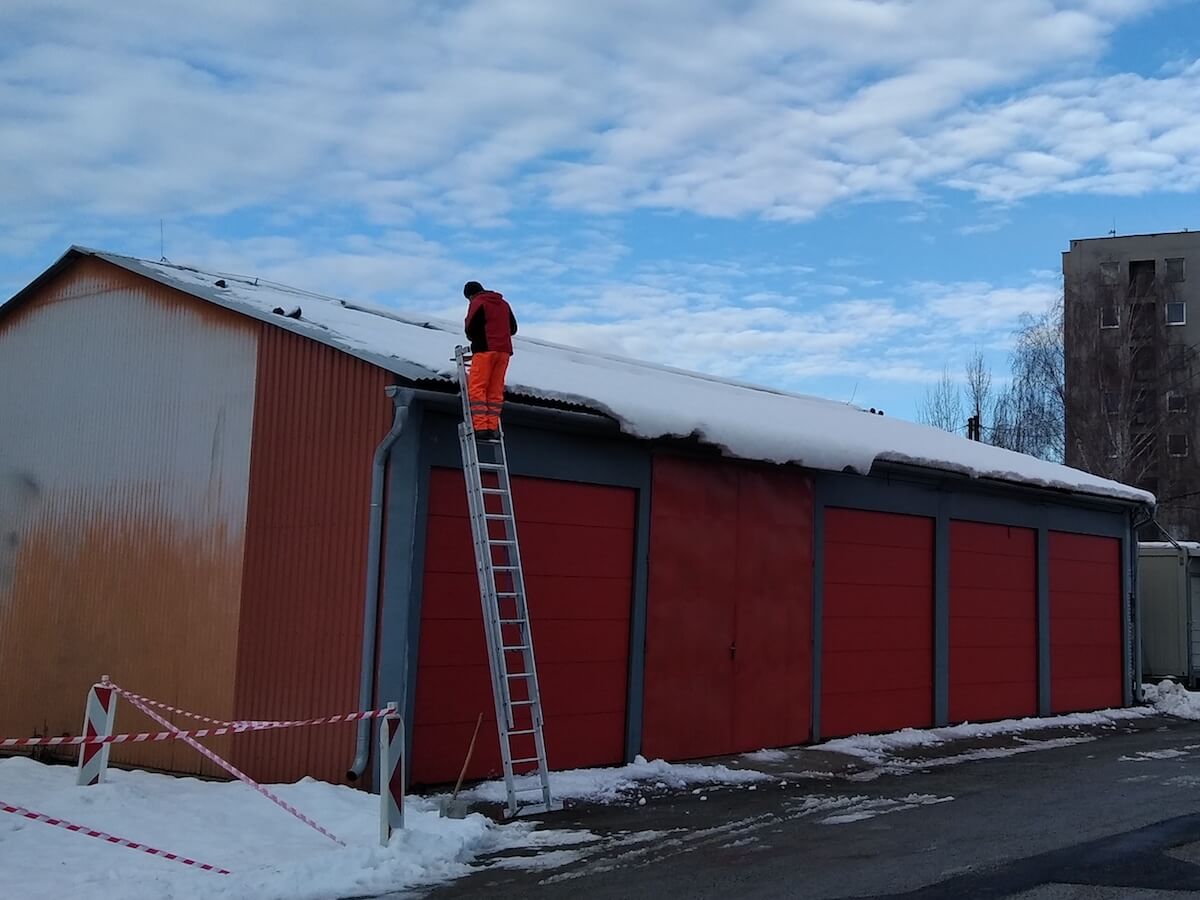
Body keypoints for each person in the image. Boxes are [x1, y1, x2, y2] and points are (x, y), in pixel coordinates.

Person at [463, 280, 518, 441]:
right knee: (495, 390)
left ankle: (481, 427)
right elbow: (513, 329)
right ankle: (492, 427)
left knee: (478, 387)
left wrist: (478, 338)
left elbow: (470, 328)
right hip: (504, 352)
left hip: (485, 350)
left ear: (470, 295)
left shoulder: (478, 302)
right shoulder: (503, 304)